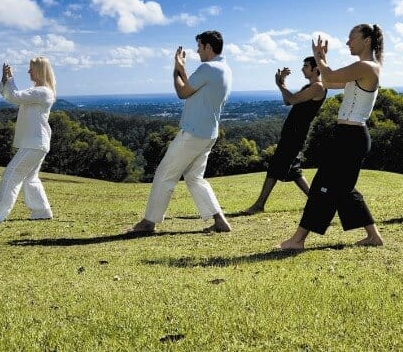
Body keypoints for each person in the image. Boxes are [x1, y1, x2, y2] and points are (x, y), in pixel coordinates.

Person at [278, 24, 385, 250]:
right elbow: (329, 81)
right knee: (343, 188)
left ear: (366, 40)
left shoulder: (366, 66)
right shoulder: (363, 68)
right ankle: (373, 236)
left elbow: (328, 75)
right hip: (348, 136)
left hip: (352, 137)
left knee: (322, 186)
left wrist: (320, 58)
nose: (347, 42)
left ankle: (298, 239)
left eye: (351, 38)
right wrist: (322, 62)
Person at [129, 31, 233, 234]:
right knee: (194, 178)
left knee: (164, 174)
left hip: (193, 133)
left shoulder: (208, 68)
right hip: (208, 133)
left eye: (199, 46)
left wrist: (176, 69)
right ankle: (219, 221)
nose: (197, 50)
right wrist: (183, 70)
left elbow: (182, 92)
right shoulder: (224, 69)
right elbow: (193, 88)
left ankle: (149, 222)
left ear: (208, 47)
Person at [0, 57, 56, 223]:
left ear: (40, 70)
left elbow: (14, 95)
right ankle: (42, 211)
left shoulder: (42, 92)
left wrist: (10, 78)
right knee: (30, 178)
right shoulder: (39, 92)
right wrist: (6, 79)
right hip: (37, 143)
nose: (29, 72)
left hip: (35, 143)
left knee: (11, 174)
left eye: (31, 69)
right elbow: (10, 95)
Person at [242, 57, 326, 214]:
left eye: (306, 66)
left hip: (296, 135)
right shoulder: (309, 86)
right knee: (293, 170)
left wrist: (280, 84)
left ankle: (259, 204)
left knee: (275, 167)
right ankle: (317, 202)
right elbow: (288, 101)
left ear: (315, 69)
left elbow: (292, 99)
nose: (302, 69)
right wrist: (282, 84)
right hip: (292, 133)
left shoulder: (318, 87)